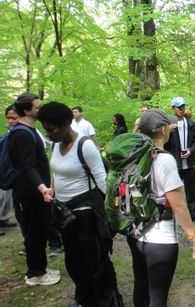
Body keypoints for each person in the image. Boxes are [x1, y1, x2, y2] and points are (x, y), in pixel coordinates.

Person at [37, 102, 122, 307]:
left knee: (96, 263)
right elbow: (56, 171)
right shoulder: (55, 144)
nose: (48, 134)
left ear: (67, 124)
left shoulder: (85, 146)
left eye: (51, 129)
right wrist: (52, 188)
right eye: (45, 129)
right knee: (74, 263)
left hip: (87, 214)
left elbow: (103, 181)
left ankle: (108, 301)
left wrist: (114, 211)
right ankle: (84, 299)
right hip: (65, 214)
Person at [130, 109, 195, 307]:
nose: (171, 127)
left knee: (141, 289)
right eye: (168, 125)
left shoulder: (131, 155)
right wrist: (194, 238)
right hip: (160, 239)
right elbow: (178, 204)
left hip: (135, 233)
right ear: (162, 131)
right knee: (157, 297)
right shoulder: (164, 160)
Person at [8, 93, 60, 286]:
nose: (41, 109)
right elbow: (26, 166)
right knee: (34, 232)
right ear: (28, 110)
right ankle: (36, 274)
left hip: (35, 192)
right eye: (38, 107)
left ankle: (40, 268)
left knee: (39, 230)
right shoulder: (21, 133)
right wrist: (43, 188)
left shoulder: (29, 131)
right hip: (30, 193)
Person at [164, 97, 195, 222]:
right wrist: (168, 131)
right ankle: (173, 215)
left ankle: (194, 214)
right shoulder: (168, 123)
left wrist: (191, 150)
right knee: (173, 190)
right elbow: (162, 142)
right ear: (173, 108)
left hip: (189, 164)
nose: (181, 109)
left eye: (183, 107)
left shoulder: (190, 123)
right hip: (175, 164)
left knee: (191, 190)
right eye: (179, 107)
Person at [0, 105, 20, 237]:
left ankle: (2, 218)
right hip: (3, 169)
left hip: (11, 171)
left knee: (7, 197)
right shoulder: (7, 135)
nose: (11, 121)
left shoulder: (21, 132)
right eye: (9, 118)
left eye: (14, 118)